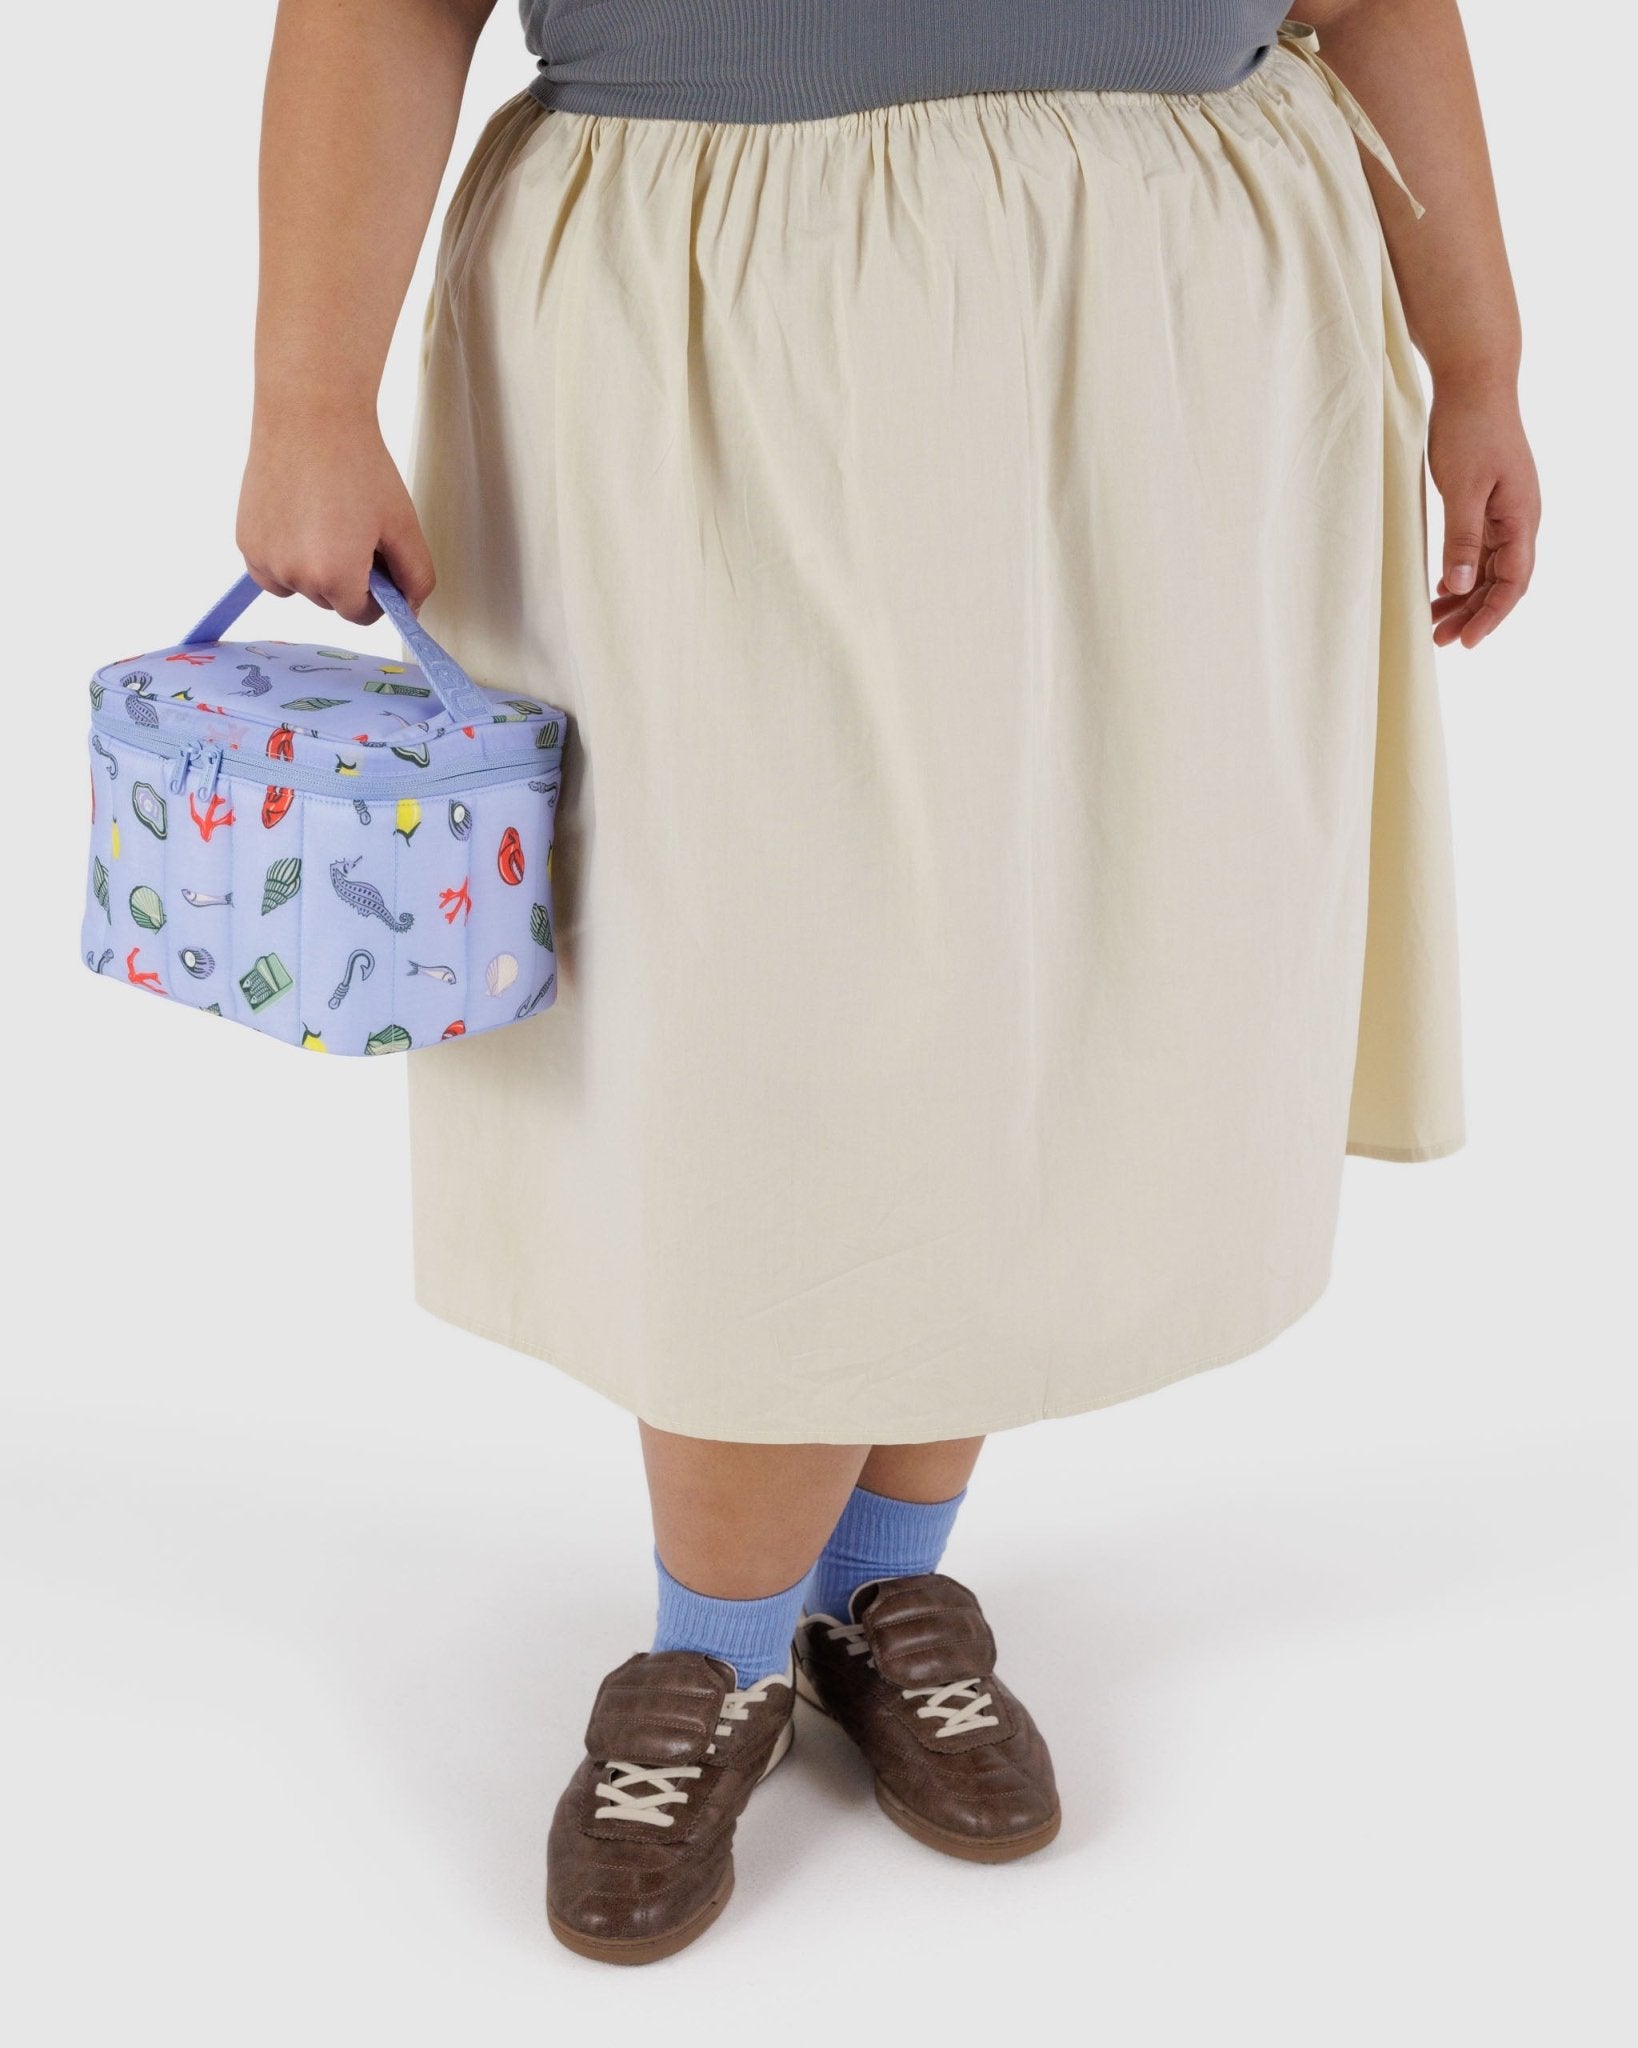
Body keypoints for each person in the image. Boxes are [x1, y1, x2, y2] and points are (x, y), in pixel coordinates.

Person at [237, 0, 1538, 1964]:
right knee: (765, 1030)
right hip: (715, 328)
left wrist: (1482, 360)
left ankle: (873, 1577)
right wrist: (306, 393)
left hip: (1171, 328)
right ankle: (718, 1649)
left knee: (1032, 983)